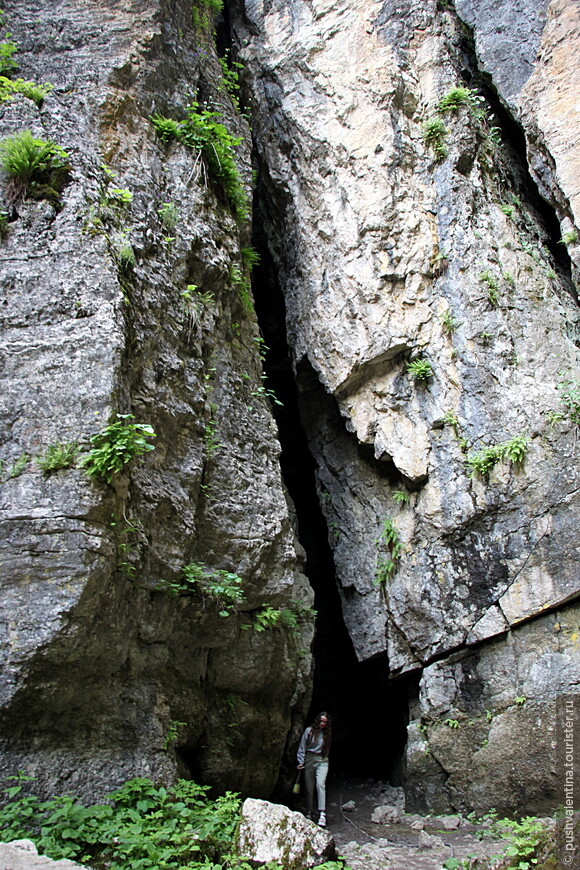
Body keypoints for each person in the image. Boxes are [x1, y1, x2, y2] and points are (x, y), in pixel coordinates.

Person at [297, 711, 331, 827]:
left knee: (320, 784)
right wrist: (301, 761)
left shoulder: (327, 734)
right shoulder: (309, 731)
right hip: (310, 760)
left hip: (322, 760)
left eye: (325, 722)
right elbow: (302, 747)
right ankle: (309, 812)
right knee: (309, 788)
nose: (322, 724)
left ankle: (322, 814)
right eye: (321, 721)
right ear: (317, 721)